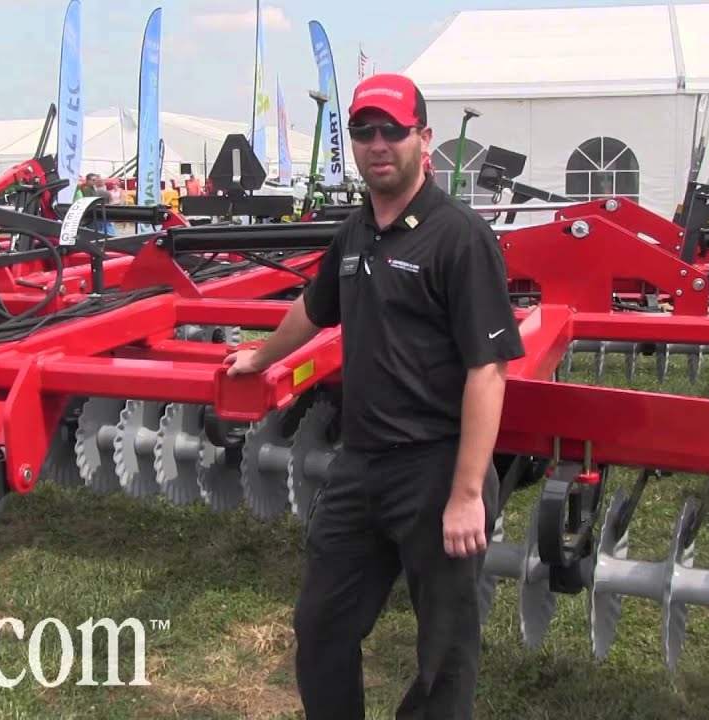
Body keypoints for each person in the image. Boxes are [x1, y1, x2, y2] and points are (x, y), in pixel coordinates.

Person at [223, 72, 523, 719]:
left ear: (425, 139)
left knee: (444, 653)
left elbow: (488, 371)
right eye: (365, 130)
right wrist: (260, 356)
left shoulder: (459, 238)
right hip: (359, 466)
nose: (379, 143)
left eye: (393, 129)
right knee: (322, 626)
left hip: (437, 469)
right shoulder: (355, 233)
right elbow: (314, 307)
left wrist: (468, 494)